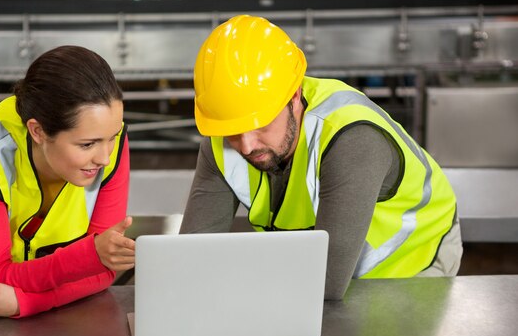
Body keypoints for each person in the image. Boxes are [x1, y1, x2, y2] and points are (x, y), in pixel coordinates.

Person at [180, 15, 463, 300]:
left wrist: (225, 271)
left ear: (294, 96)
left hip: (413, 268)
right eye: (232, 130)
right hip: (318, 277)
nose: (245, 146)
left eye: (261, 124)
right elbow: (193, 257)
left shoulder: (351, 138)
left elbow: (326, 283)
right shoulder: (221, 140)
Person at [0, 45, 136, 318]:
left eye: (112, 137)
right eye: (87, 144)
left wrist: (29, 302)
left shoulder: (108, 137)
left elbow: (104, 272)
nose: (105, 157)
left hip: (27, 298)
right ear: (38, 131)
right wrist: (90, 257)